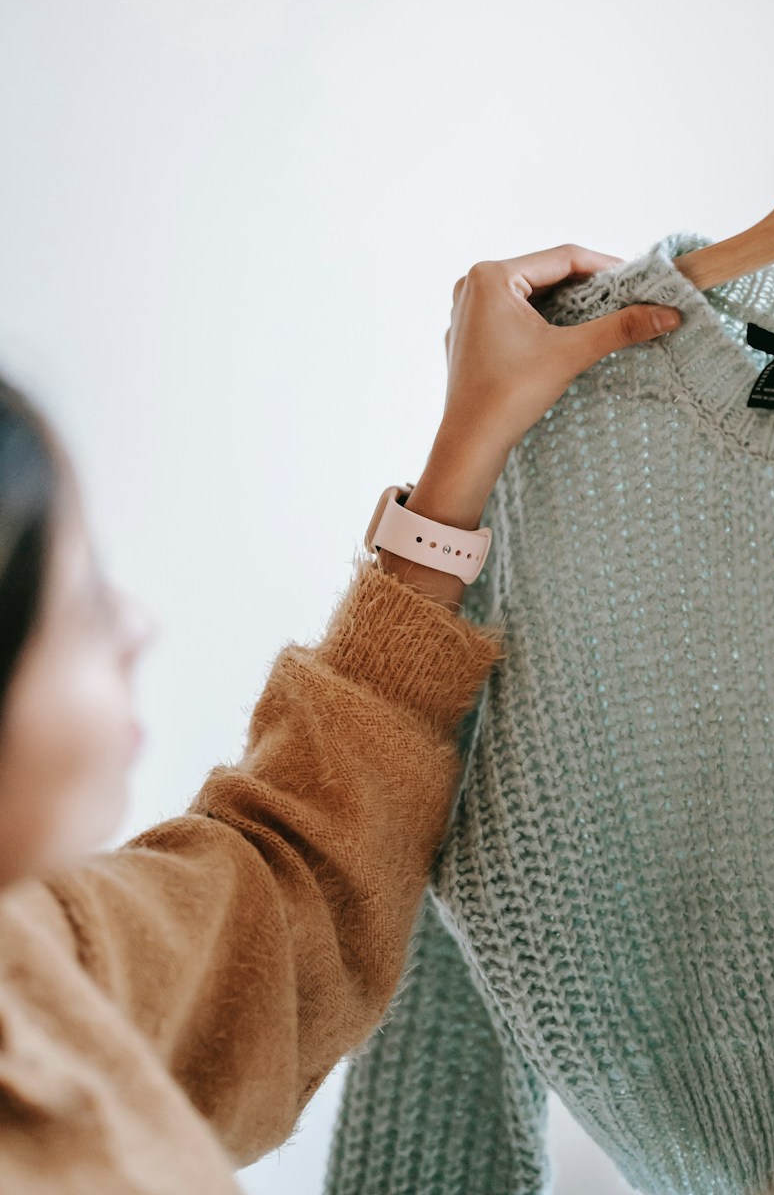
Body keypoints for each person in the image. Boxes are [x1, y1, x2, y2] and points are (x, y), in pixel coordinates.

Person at [0, 243, 684, 1193]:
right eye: (81, 608)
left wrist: (463, 458)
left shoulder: (34, 960)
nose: (137, 626)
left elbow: (283, 896)